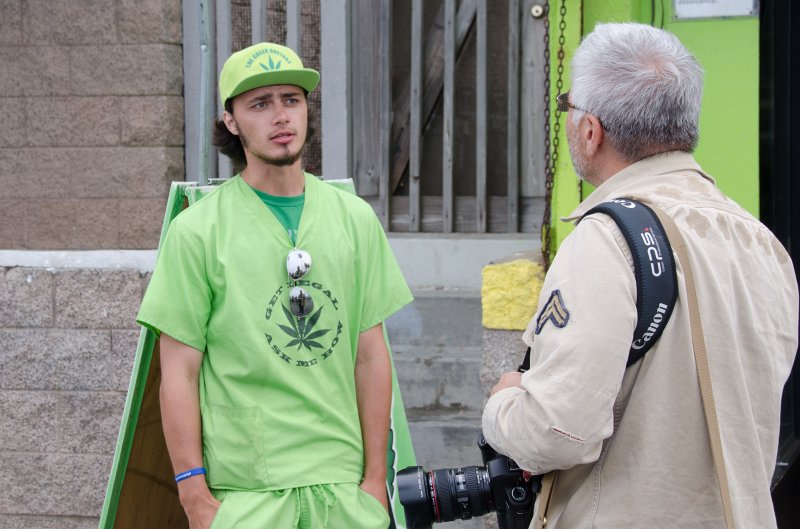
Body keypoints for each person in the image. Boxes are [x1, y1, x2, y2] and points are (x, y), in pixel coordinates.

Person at [482, 23, 798, 529]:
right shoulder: (761, 244)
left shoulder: (606, 240)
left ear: (591, 130)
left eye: (568, 107)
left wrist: (503, 403)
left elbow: (557, 431)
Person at [137, 42, 412, 529]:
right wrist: (194, 495)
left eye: (291, 99)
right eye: (259, 104)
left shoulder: (354, 219)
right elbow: (177, 373)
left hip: (343, 491)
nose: (281, 116)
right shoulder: (198, 231)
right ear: (231, 120)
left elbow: (371, 354)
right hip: (246, 493)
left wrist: (374, 483)